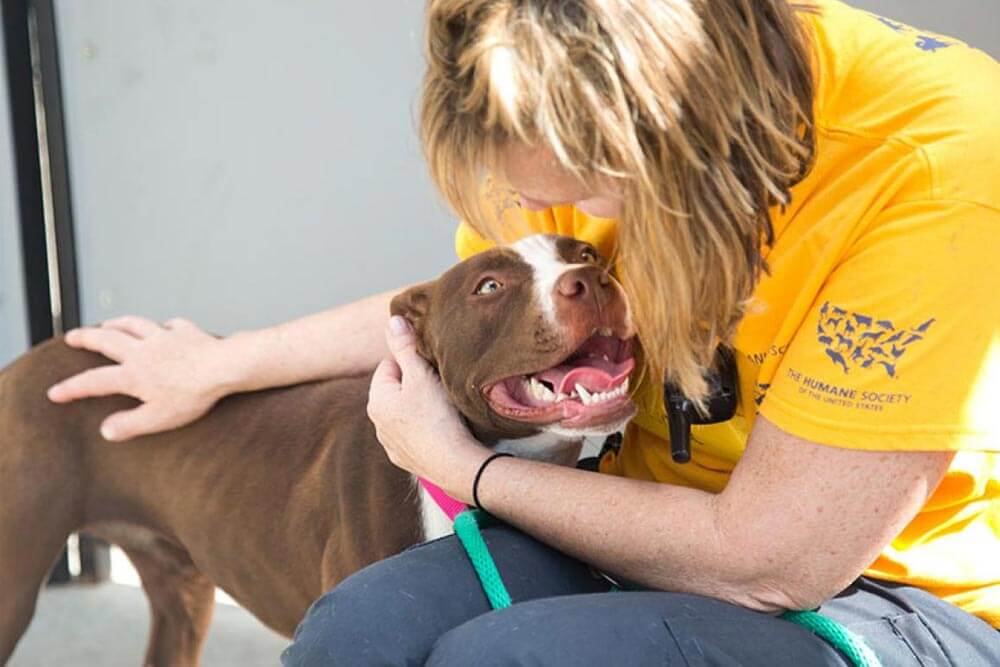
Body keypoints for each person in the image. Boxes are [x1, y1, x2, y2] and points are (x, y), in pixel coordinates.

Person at [49, 0, 999, 664]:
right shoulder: (595, 120)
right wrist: (220, 364)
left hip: (875, 594)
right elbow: (461, 309)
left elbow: (770, 560)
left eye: (581, 194)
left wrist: (467, 469)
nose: (561, 219)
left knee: (509, 655)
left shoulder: (936, 176)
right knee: (356, 634)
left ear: (679, 133)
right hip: (628, 535)